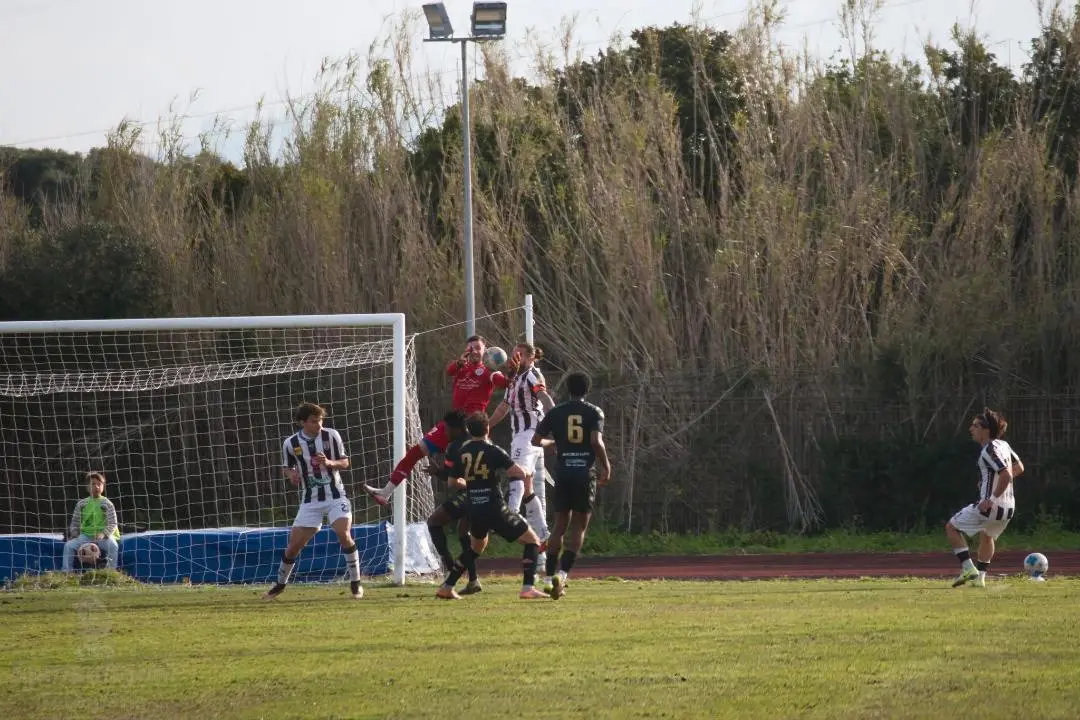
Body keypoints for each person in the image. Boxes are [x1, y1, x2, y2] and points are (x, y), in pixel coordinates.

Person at [363, 336, 508, 506]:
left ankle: (491, 501)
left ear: (485, 350)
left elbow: (503, 382)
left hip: (472, 426)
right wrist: (460, 362)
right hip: (453, 423)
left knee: (467, 474)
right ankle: (386, 492)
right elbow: (450, 370)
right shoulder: (461, 367)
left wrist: (511, 375)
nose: (474, 351)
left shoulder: (490, 372)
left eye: (478, 347)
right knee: (415, 452)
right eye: (471, 348)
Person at [436, 412, 549, 600]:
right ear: (487, 428)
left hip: (474, 508)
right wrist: (526, 469)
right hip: (495, 507)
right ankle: (528, 588)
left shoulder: (463, 452)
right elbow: (518, 473)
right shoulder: (493, 450)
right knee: (533, 541)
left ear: (469, 430)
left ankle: (447, 587)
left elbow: (452, 482)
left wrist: (471, 485)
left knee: (475, 549)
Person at [264, 402, 363, 600]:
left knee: (343, 534)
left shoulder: (331, 435)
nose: (319, 424)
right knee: (293, 547)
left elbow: (345, 462)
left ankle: (356, 584)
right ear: (302, 423)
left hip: (336, 496)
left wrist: (329, 462)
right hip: (310, 501)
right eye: (313, 421)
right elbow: (286, 467)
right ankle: (279, 585)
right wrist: (291, 475)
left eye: (320, 420)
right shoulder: (290, 443)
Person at [532, 371, 611, 599]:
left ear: (568, 388)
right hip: (584, 474)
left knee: (559, 526)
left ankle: (548, 579)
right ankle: (563, 575)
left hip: (563, 473)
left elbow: (536, 440)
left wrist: (553, 442)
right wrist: (606, 465)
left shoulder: (556, 412)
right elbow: (596, 441)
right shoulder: (594, 412)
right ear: (587, 389)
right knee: (579, 528)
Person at [489, 343, 554, 559]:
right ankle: (543, 535)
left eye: (518, 355)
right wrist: (487, 426)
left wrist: (556, 418)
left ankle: (510, 515)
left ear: (530, 357)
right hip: (523, 436)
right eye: (513, 355)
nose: (513, 358)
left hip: (529, 433)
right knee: (527, 488)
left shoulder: (532, 375)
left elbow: (543, 397)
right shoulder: (515, 378)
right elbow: (503, 407)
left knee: (515, 472)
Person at [946, 407, 1024, 588]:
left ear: (986, 430)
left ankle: (968, 569)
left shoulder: (988, 450)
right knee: (987, 535)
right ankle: (980, 579)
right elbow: (1019, 467)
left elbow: (1006, 474)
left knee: (951, 527)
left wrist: (992, 498)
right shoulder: (1003, 445)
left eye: (975, 426)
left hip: (991, 507)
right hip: (1009, 508)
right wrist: (995, 482)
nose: (971, 429)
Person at [422, 410, 483, 594]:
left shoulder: (454, 447)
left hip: (469, 493)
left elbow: (450, 478)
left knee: (433, 522)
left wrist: (437, 472)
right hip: (486, 494)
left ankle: (450, 572)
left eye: (447, 429)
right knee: (463, 532)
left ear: (456, 429)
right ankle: (473, 581)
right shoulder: (479, 440)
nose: (445, 433)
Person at [62, 472, 121, 571]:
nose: (96, 487)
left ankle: (110, 572)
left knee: (113, 546)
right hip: (86, 535)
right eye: (93, 484)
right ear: (87, 487)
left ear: (103, 486)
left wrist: (103, 534)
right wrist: (75, 534)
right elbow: (75, 522)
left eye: (99, 484)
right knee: (68, 546)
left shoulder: (107, 503)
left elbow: (113, 523)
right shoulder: (81, 504)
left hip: (102, 537)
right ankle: (66, 572)